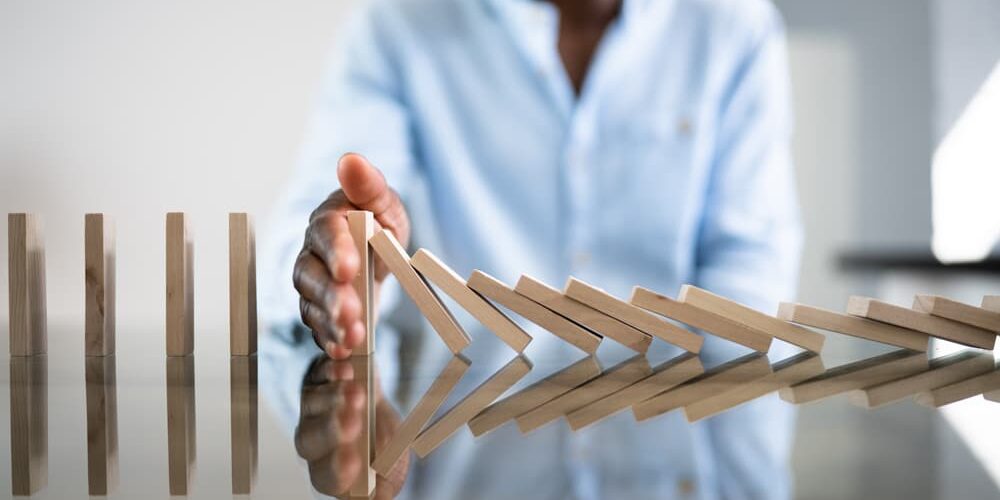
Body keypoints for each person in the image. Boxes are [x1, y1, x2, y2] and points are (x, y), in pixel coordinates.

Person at [261, 0, 803, 498]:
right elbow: (316, 218)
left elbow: (749, 290)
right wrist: (342, 264)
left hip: (680, 430)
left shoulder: (732, 27)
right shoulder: (402, 22)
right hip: (452, 425)